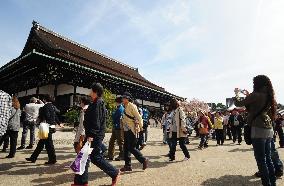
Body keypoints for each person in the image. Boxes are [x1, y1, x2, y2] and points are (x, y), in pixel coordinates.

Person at [73, 83, 120, 186]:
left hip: (94, 135)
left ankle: (114, 172)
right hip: (94, 135)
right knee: (84, 156)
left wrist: (91, 136)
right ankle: (81, 182)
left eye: (92, 91)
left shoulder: (97, 104)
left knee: (95, 157)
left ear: (96, 92)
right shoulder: (97, 103)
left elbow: (96, 122)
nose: (90, 93)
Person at [234, 75, 277, 186]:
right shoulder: (269, 95)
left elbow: (238, 103)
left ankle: (266, 184)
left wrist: (236, 93)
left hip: (258, 127)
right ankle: (273, 183)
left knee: (261, 160)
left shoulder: (256, 95)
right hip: (268, 128)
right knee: (268, 159)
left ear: (257, 84)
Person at [120, 92, 149, 172]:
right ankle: (127, 165)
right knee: (126, 148)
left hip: (132, 129)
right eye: (123, 98)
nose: (123, 99)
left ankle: (143, 160)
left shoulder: (132, 106)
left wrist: (141, 127)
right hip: (126, 129)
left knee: (132, 148)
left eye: (124, 98)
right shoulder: (125, 106)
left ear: (128, 98)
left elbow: (139, 117)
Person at [26, 94, 58, 164]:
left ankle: (52, 160)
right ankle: (33, 158)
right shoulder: (52, 106)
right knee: (41, 144)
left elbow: (47, 116)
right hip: (50, 126)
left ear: (44, 99)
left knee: (49, 145)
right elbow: (55, 115)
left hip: (46, 127)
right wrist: (58, 123)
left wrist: (41, 119)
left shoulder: (45, 107)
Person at [108, 96, 124, 161]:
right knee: (113, 141)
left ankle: (121, 155)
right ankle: (110, 155)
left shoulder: (119, 109)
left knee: (120, 142)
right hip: (117, 127)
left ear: (117, 102)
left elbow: (114, 117)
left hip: (118, 127)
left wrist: (112, 113)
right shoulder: (121, 108)